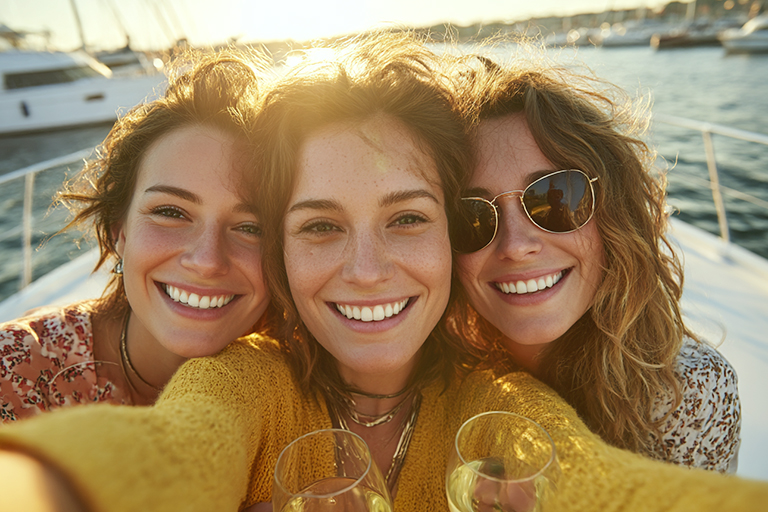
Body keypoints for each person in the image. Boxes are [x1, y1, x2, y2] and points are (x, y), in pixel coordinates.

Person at [0, 34, 765, 512]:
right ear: (283, 255)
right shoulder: (241, 379)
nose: (366, 271)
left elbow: (600, 483)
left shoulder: (497, 399)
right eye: (320, 226)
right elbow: (179, 445)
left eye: (407, 219)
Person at [450, 53, 741, 471]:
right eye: (471, 216)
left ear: (613, 213)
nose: (515, 245)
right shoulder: (437, 373)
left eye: (555, 198)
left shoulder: (689, 395)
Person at [0, 49, 273, 419]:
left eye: (251, 228)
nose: (207, 261)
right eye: (170, 212)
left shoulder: (302, 375)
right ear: (120, 231)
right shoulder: (14, 370)